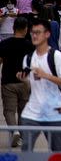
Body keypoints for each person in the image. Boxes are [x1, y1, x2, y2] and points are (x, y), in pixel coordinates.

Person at [19, 19, 61, 152]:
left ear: (47, 34)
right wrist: (24, 80)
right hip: (32, 111)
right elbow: (31, 87)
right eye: (32, 33)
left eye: (38, 32)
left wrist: (46, 75)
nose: (34, 36)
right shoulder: (28, 58)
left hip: (54, 111)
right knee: (26, 149)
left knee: (59, 151)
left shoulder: (56, 56)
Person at [0, 17, 33, 147]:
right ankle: (22, 135)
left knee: (9, 110)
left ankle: (15, 131)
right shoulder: (29, 45)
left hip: (8, 81)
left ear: (13, 28)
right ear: (26, 29)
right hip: (24, 81)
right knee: (23, 109)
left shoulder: (4, 43)